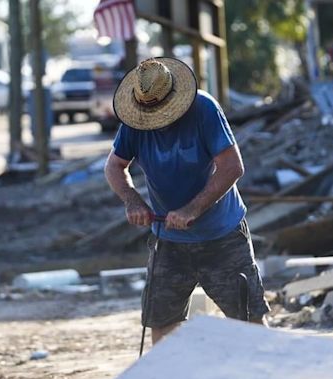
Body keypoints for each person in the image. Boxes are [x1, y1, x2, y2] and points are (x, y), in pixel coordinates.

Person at [104, 57, 269, 344]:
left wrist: (193, 208)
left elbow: (232, 166)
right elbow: (114, 166)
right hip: (169, 241)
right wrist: (132, 200)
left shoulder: (204, 109)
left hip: (222, 235)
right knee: (162, 323)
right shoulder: (135, 120)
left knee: (250, 320)